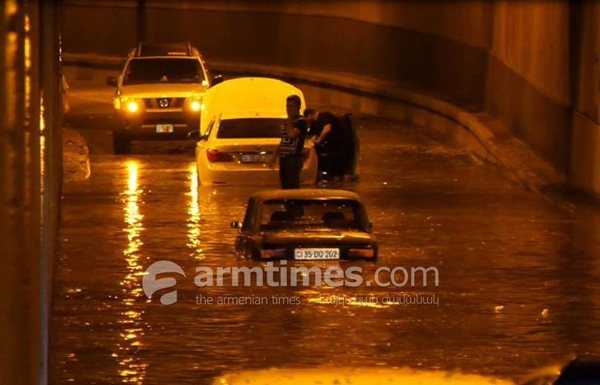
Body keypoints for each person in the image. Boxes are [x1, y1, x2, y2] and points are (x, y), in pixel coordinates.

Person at [276, 95, 308, 189]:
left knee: (292, 185)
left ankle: (294, 203)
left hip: (293, 157)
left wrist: (289, 120)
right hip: (284, 157)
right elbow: (284, 139)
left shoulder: (301, 121)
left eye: (291, 106)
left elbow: (291, 135)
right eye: (287, 106)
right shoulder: (288, 122)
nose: (288, 109)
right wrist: (275, 155)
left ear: (298, 107)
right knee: (285, 185)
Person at [305, 109, 346, 180]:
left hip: (337, 145)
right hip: (327, 146)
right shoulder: (314, 123)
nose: (307, 121)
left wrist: (318, 140)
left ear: (310, 115)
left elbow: (327, 129)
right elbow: (311, 134)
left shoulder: (324, 116)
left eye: (307, 118)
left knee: (335, 165)